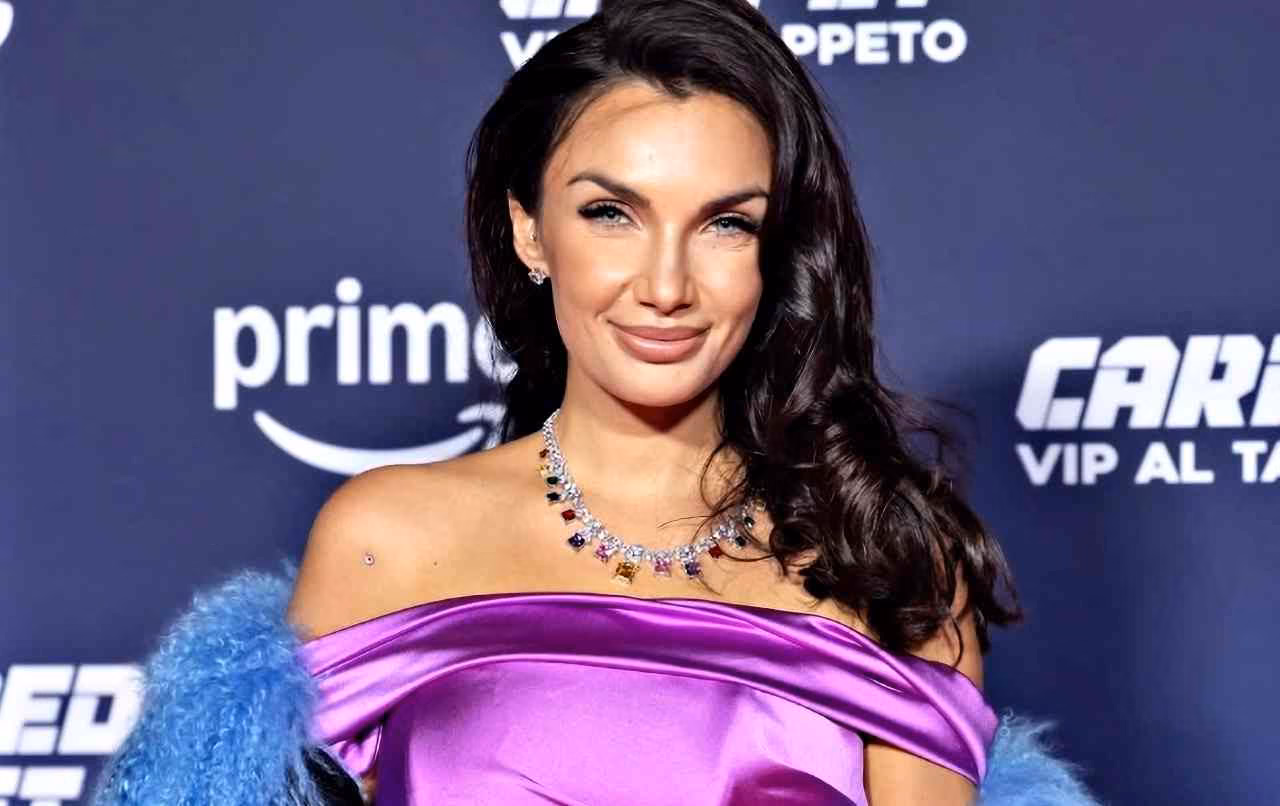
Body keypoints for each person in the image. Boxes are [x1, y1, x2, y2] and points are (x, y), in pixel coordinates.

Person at [91, 1, 1102, 804]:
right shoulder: (386, 539)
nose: (665, 284)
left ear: (777, 251)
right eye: (611, 212)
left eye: (724, 224)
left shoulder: (890, 567)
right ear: (530, 231)